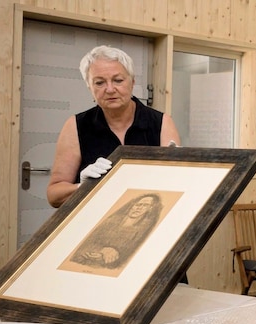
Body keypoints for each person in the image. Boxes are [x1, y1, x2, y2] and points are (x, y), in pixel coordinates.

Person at [46, 45, 180, 208]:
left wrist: (176, 170)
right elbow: (54, 195)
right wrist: (83, 188)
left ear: (132, 82)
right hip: (93, 221)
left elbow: (176, 187)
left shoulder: (161, 122)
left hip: (147, 218)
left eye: (118, 80)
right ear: (90, 87)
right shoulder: (76, 125)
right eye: (100, 82)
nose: (110, 89)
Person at [71, 193, 163, 270]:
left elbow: (131, 253)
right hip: (84, 261)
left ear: (150, 209)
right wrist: (101, 250)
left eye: (145, 205)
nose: (139, 208)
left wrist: (114, 253)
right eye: (138, 204)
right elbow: (87, 241)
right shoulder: (111, 220)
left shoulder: (144, 228)